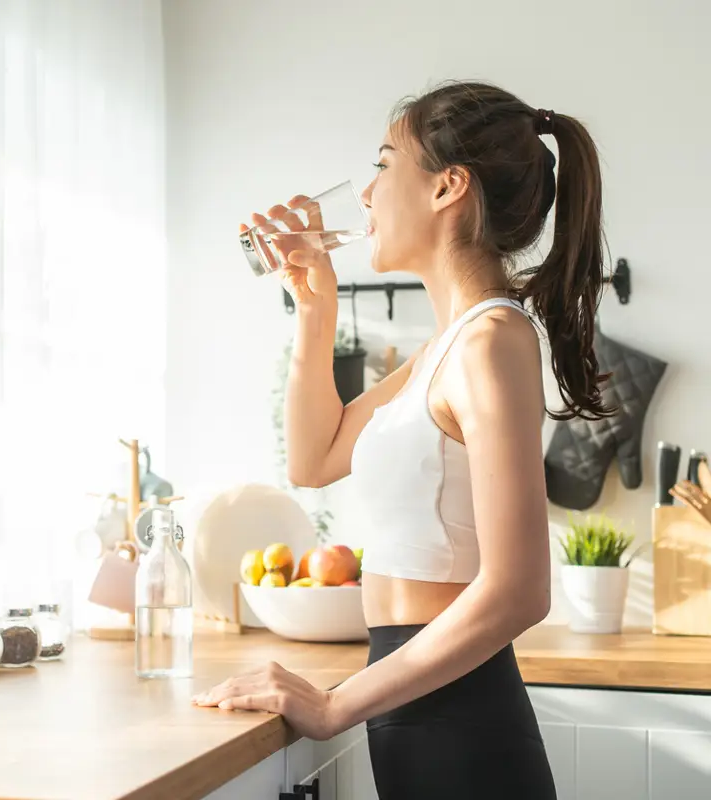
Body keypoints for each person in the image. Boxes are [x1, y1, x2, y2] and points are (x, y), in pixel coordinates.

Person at [192, 79, 613, 798]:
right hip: (419, 708)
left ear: (448, 186)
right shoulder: (444, 350)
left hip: (462, 725)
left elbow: (519, 590)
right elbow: (315, 458)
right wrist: (314, 311)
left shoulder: (491, 340)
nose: (364, 194)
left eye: (384, 164)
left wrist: (332, 705)